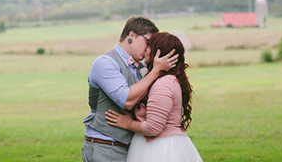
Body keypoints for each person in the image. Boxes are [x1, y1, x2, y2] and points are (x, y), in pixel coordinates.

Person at [82, 15, 179, 162]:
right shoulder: (104, 63)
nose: (149, 48)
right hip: (105, 147)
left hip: (132, 148)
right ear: (131, 35)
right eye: (147, 42)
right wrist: (156, 71)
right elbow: (127, 100)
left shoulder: (143, 67)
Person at [105, 32, 203, 162]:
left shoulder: (164, 84)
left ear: (158, 53)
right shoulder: (165, 79)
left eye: (149, 46)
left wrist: (128, 123)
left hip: (161, 150)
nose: (145, 49)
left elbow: (153, 128)